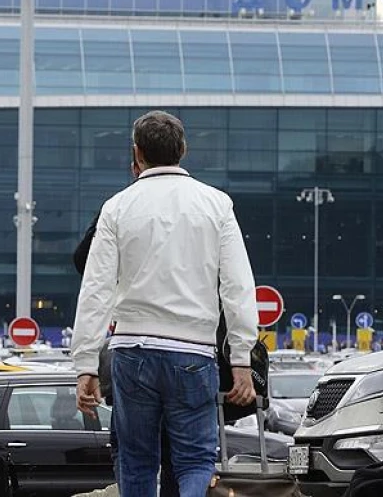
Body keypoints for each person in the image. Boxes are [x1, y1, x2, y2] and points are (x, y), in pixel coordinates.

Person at [72, 110, 259, 497]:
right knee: (194, 459)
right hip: (193, 351)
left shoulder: (117, 206)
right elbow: (238, 286)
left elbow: (96, 289)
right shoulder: (217, 204)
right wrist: (241, 357)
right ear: (184, 150)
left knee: (136, 460)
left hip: (132, 348)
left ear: (136, 153)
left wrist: (86, 364)